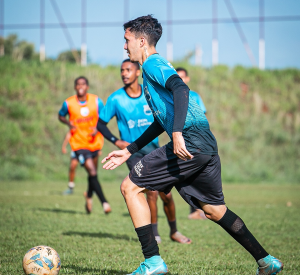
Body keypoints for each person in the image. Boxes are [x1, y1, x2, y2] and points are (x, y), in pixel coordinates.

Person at [102, 15, 283, 275]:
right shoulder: (149, 73)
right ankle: (267, 262)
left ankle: (153, 263)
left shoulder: (153, 63)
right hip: (205, 142)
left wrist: (177, 133)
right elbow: (159, 121)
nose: (124, 46)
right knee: (214, 209)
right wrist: (129, 149)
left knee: (129, 188)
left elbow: (181, 89)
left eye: (127, 40)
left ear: (141, 41)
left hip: (190, 139)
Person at [96, 58, 191, 244]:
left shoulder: (149, 95)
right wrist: (116, 141)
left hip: (154, 150)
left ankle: (174, 231)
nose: (124, 73)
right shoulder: (116, 99)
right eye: (122, 70)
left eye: (128, 70)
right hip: (132, 153)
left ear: (138, 72)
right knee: (151, 191)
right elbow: (100, 123)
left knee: (167, 194)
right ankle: (155, 235)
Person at [58, 76, 111, 214]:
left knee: (92, 174)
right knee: (92, 171)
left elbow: (105, 116)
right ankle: (104, 203)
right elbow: (61, 115)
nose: (80, 86)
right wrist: (68, 123)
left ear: (87, 87)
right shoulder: (68, 103)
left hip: (94, 142)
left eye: (83, 84)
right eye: (78, 84)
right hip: (78, 144)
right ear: (75, 87)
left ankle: (88, 195)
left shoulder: (96, 101)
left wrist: (97, 128)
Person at [176, 67, 207, 220]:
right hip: (183, 140)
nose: (180, 80)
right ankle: (195, 210)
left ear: (187, 79)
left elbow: (203, 116)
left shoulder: (195, 96)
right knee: (188, 175)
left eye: (182, 77)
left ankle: (198, 209)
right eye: (177, 77)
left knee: (197, 174)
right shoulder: (173, 96)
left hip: (198, 140)